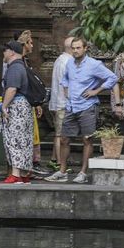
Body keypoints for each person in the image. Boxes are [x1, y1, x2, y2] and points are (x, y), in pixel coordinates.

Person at [45, 37, 122, 183]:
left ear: (85, 48)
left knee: (87, 139)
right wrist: (67, 90)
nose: (75, 50)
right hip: (71, 106)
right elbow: (65, 79)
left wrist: (96, 91)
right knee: (64, 139)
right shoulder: (69, 63)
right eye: (73, 48)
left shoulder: (94, 64)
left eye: (78, 48)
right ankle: (62, 171)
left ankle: (83, 172)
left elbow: (112, 78)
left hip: (87, 106)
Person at [0, 41, 33, 184]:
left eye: (5, 51)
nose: (3, 53)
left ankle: (15, 174)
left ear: (12, 52)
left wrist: (4, 106)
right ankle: (24, 173)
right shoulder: (23, 66)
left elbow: (12, 88)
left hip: (16, 106)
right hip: (25, 106)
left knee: (14, 138)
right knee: (24, 140)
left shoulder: (14, 68)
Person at [15, 30, 47, 175]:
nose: (33, 45)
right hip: (19, 103)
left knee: (30, 135)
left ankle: (29, 167)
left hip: (28, 102)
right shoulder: (16, 61)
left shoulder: (25, 61)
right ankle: (19, 170)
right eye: (31, 42)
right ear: (25, 44)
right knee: (21, 137)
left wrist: (36, 103)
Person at [48, 36, 74, 170]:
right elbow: (67, 85)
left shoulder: (61, 59)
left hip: (57, 102)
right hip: (62, 103)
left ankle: (53, 158)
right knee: (60, 135)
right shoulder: (67, 62)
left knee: (58, 133)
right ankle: (59, 163)